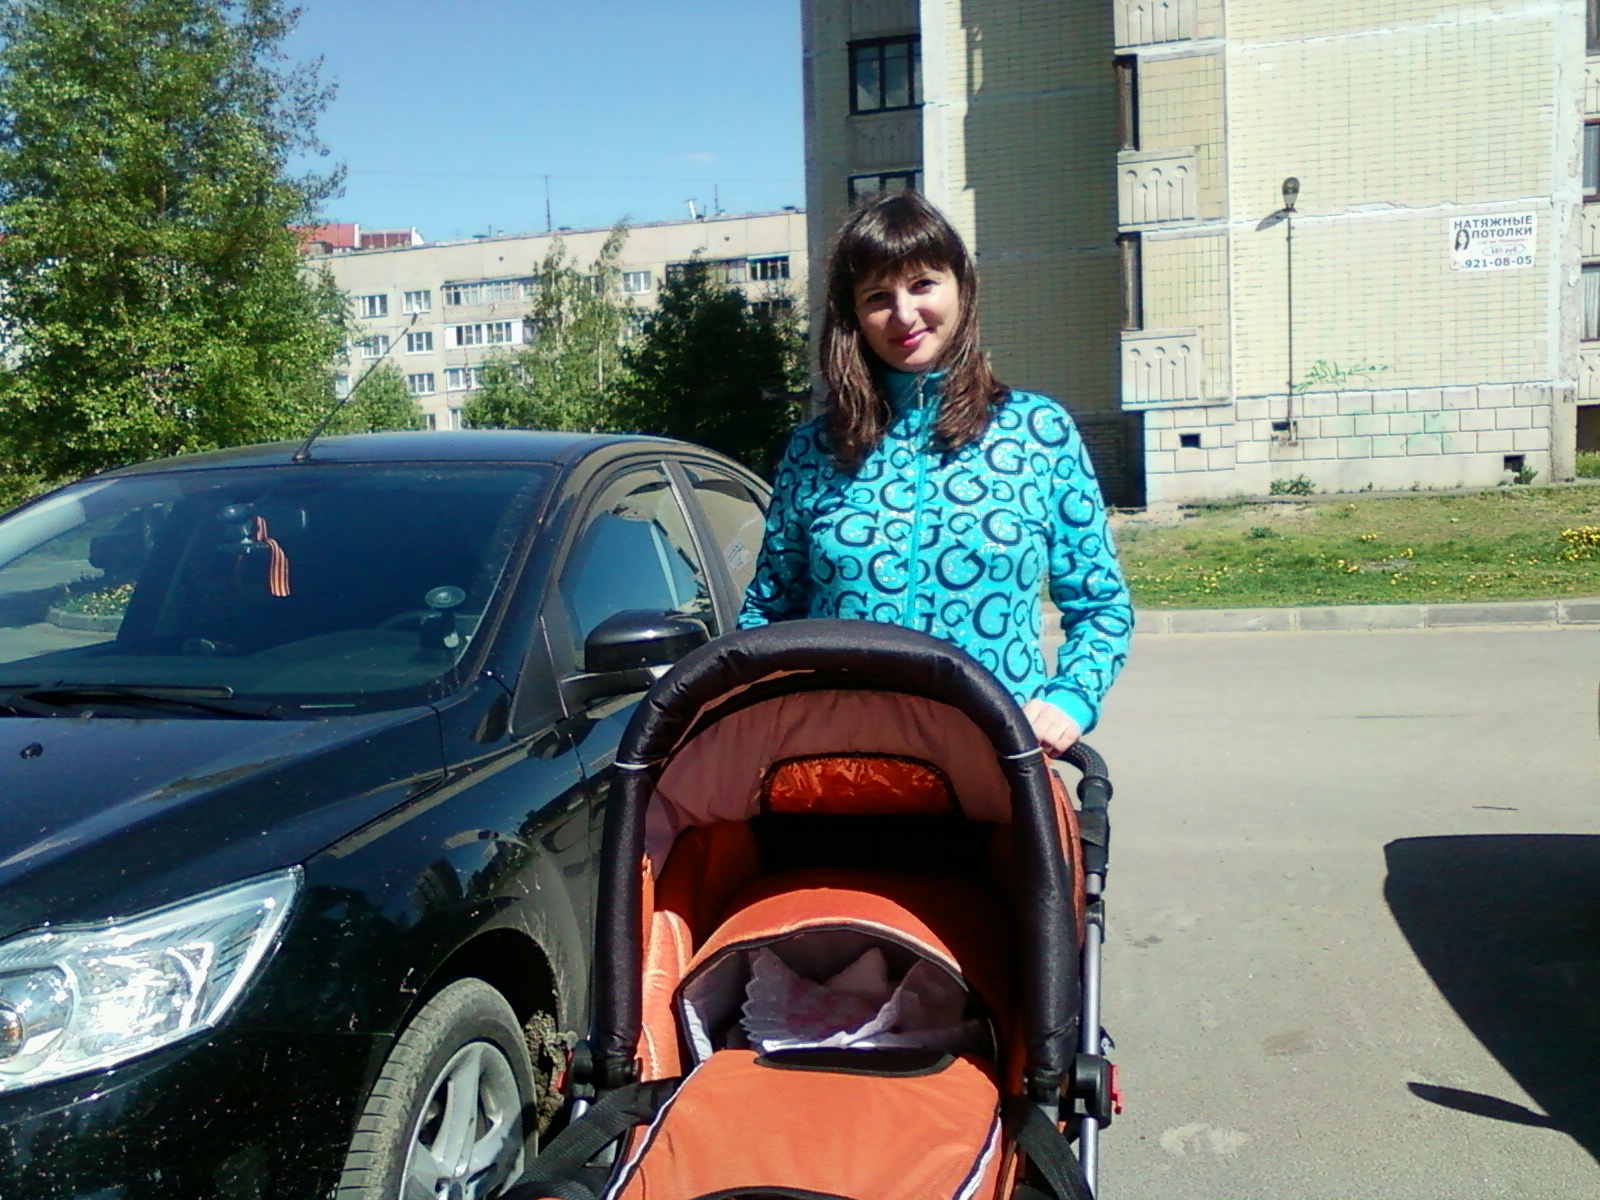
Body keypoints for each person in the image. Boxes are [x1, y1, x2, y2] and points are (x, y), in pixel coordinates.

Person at [737, 191, 1133, 754]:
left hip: (995, 758)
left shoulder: (1038, 431)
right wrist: (764, 717)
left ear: (961, 288)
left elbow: (1101, 604)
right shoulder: (815, 449)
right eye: (878, 296)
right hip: (841, 764)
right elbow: (768, 612)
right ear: (854, 316)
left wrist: (1071, 697)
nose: (904, 314)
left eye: (923, 284)